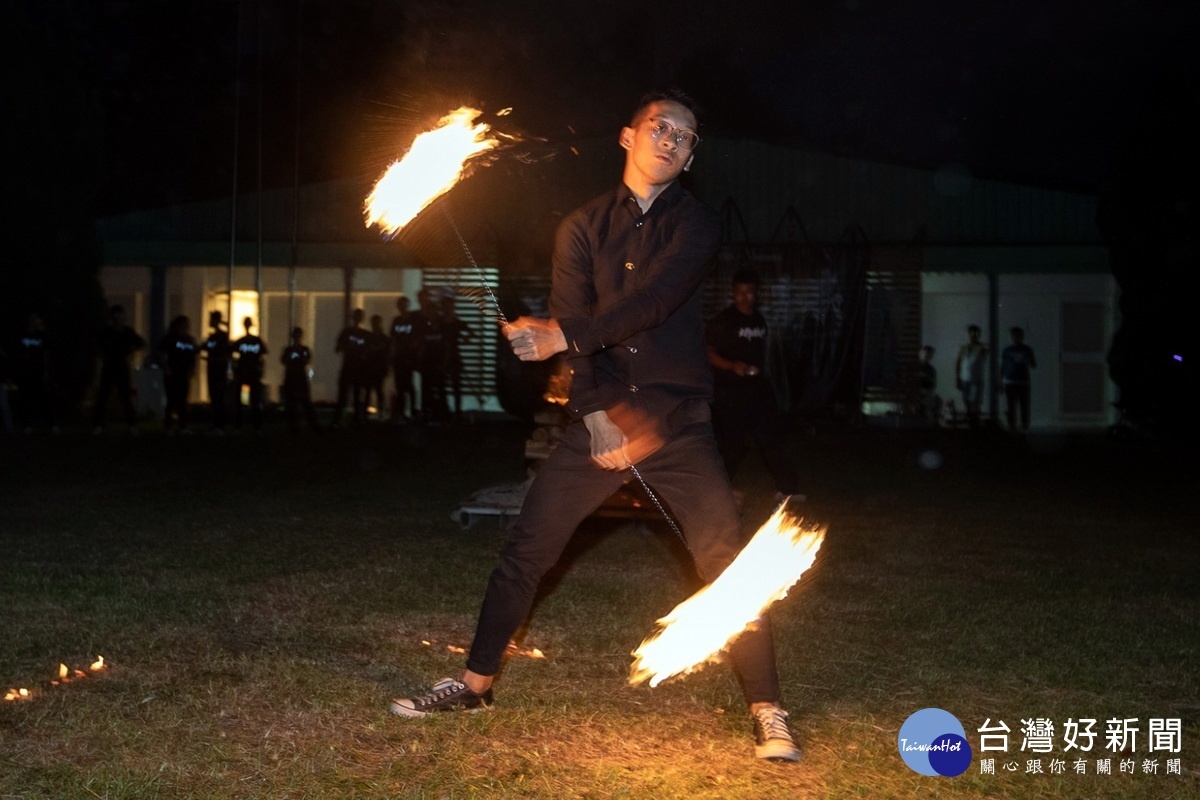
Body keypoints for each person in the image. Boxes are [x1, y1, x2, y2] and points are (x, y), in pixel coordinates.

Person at [390, 90, 802, 763]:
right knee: (525, 551)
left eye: (685, 136)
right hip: (598, 419)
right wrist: (592, 413)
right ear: (627, 135)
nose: (670, 140)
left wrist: (557, 335)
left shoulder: (695, 225)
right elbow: (576, 331)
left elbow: (650, 304)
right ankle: (473, 686)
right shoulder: (580, 227)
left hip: (677, 423)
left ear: (692, 154)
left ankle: (768, 708)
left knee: (725, 566)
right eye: (659, 127)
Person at [705, 268, 801, 498]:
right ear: (733, 293)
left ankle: (786, 489)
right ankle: (714, 489)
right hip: (730, 391)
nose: (744, 297)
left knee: (770, 435)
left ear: (756, 293)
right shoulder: (724, 321)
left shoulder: (758, 319)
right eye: (739, 292)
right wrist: (731, 366)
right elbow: (708, 352)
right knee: (734, 443)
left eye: (748, 292)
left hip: (757, 387)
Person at [92, 305, 145, 434]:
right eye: (117, 317)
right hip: (110, 365)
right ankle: (99, 424)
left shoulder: (127, 332)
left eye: (121, 317)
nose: (119, 320)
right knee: (103, 396)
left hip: (121, 366)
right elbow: (95, 344)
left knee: (125, 396)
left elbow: (141, 344)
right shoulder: (106, 332)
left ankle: (132, 424)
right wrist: (102, 355)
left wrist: (131, 353)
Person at [12, 314, 56, 434]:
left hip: (38, 370)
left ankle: (51, 424)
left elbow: (46, 353)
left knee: (44, 398)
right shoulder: (22, 335)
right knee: (25, 398)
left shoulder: (42, 335)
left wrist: (45, 371)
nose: (33, 322)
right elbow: (17, 352)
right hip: (25, 371)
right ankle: (27, 424)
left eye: (34, 320)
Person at [157, 315, 198, 433]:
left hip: (184, 373)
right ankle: (169, 425)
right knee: (171, 400)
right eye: (184, 325)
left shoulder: (189, 340)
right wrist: (166, 368)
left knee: (183, 400)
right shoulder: (170, 339)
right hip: (173, 373)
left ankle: (183, 425)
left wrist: (192, 370)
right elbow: (159, 353)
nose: (186, 327)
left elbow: (193, 356)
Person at [414, 289, 448, 422]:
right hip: (426, 363)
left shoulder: (441, 327)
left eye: (433, 312)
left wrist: (445, 361)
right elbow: (421, 345)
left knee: (440, 388)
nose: (431, 314)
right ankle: (427, 412)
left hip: (438, 362)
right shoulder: (424, 328)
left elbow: (446, 346)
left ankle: (441, 413)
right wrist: (418, 361)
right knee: (426, 389)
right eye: (429, 312)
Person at [280, 326, 320, 433]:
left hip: (297, 377)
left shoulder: (298, 350)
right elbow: (286, 360)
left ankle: (305, 424)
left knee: (302, 402)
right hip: (295, 377)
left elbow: (304, 360)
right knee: (296, 402)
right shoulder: (296, 350)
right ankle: (300, 425)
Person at [333, 308, 369, 426]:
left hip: (356, 368)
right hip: (350, 367)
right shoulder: (350, 333)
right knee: (347, 393)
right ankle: (344, 419)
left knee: (354, 394)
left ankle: (350, 419)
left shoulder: (359, 334)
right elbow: (338, 348)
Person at [440, 293, 473, 421]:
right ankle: (445, 410)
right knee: (441, 385)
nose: (447, 308)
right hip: (442, 357)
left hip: (454, 357)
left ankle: (458, 412)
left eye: (449, 306)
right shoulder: (440, 322)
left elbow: (470, 332)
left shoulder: (456, 323)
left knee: (456, 386)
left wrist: (462, 341)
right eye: (445, 306)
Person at [232, 316, 268, 432]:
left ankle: (250, 425)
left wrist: (261, 369)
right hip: (246, 375)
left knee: (252, 400)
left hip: (251, 375)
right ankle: (244, 425)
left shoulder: (251, 341)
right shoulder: (246, 341)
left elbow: (263, 356)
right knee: (245, 400)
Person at [1000, 327, 1037, 431]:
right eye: (1015, 335)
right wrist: (1000, 381)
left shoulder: (1027, 349)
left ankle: (1025, 424)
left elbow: (1034, 365)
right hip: (1010, 381)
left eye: (1019, 336)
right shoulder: (1007, 350)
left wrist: (1027, 359)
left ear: (1022, 336)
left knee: (1024, 405)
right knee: (1011, 405)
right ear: (1012, 337)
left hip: (1023, 381)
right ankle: (1012, 425)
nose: (1017, 338)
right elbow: (1002, 366)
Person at [201, 310, 232, 434]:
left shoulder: (221, 337)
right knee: (215, 398)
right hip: (213, 371)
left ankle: (220, 425)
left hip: (218, 371)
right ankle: (216, 425)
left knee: (218, 398)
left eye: (211, 319)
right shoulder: (212, 337)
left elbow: (226, 354)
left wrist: (213, 359)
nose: (209, 322)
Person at [389, 294, 420, 422]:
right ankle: (401, 412)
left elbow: (416, 339)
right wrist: (391, 356)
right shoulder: (396, 321)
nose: (402, 307)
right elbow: (393, 339)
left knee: (408, 385)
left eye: (404, 304)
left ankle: (412, 410)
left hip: (408, 357)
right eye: (400, 305)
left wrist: (413, 354)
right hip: (398, 357)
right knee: (399, 386)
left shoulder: (412, 320)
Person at [954, 324, 988, 429]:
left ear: (979, 334)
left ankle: (976, 425)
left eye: (976, 333)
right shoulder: (963, 348)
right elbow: (958, 364)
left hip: (976, 380)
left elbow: (989, 348)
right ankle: (971, 426)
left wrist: (979, 345)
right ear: (969, 334)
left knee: (975, 403)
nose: (973, 335)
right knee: (967, 403)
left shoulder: (982, 347)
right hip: (965, 379)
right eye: (971, 333)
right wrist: (957, 379)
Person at [364, 313, 391, 420]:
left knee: (377, 391)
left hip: (378, 368)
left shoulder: (382, 339)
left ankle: (378, 412)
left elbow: (388, 354)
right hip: (371, 368)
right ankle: (377, 412)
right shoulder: (373, 338)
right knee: (372, 391)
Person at [916, 345, 941, 425]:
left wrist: (930, 393)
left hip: (927, 394)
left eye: (930, 355)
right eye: (927, 354)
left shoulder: (931, 370)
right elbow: (911, 384)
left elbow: (932, 386)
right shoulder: (914, 367)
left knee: (937, 401)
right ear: (921, 353)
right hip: (915, 394)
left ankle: (932, 422)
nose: (928, 357)